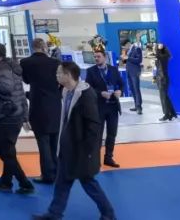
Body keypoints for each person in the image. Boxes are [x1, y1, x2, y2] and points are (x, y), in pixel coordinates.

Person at [33, 62, 116, 220]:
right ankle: (54, 214)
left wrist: (88, 151)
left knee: (89, 183)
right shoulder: (66, 91)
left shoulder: (86, 95)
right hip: (67, 148)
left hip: (80, 151)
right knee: (62, 183)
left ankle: (109, 214)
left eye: (59, 73)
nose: (56, 76)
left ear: (68, 75)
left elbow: (93, 125)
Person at [0, 43, 35, 194]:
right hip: (15, 114)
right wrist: (24, 116)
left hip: (6, 115)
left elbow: (7, 88)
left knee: (4, 152)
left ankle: (25, 183)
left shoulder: (3, 70)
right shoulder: (11, 68)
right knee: (9, 151)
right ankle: (6, 182)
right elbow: (18, 93)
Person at [21, 38, 61, 184]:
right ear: (44, 47)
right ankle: (57, 172)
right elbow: (61, 82)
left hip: (38, 106)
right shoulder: (56, 63)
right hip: (55, 106)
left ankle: (47, 174)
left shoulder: (25, 62)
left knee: (43, 143)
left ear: (32, 47)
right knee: (54, 142)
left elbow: (26, 80)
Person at [84, 49, 123, 168]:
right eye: (95, 57)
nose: (96, 59)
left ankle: (108, 157)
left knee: (112, 134)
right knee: (97, 135)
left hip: (113, 106)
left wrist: (119, 91)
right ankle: (95, 160)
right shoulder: (91, 71)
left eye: (98, 56)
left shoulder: (113, 70)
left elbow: (121, 84)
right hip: (99, 107)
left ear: (105, 57)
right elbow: (88, 88)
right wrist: (101, 93)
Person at [154, 42, 177, 121]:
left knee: (163, 97)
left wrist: (158, 49)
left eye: (159, 45)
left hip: (162, 78)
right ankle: (172, 113)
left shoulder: (163, 56)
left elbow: (158, 56)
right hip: (160, 78)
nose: (157, 46)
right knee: (165, 96)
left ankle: (167, 114)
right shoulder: (162, 56)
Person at [124, 39, 144, 114]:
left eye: (125, 46)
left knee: (136, 89)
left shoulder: (137, 49)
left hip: (135, 72)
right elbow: (128, 61)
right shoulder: (128, 51)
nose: (125, 47)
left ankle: (139, 107)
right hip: (129, 72)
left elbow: (139, 60)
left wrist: (128, 58)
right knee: (132, 89)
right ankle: (136, 105)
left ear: (128, 43)